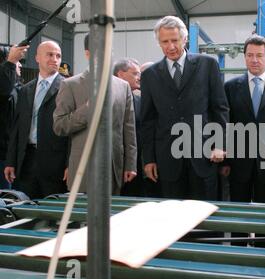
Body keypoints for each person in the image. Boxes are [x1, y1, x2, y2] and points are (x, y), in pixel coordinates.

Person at [141, 16, 229, 201]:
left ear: (185, 39)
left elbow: (219, 108)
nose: (171, 47)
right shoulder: (149, 75)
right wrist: (148, 159)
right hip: (168, 159)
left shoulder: (207, 65)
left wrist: (219, 144)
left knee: (206, 220)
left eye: (175, 40)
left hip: (204, 156)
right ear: (158, 42)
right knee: (173, 219)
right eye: (165, 42)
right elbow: (148, 120)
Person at [222, 35, 265, 248]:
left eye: (259, 56)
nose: (255, 60)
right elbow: (226, 125)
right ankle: (239, 253)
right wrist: (226, 161)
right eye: (250, 55)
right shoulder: (231, 87)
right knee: (239, 212)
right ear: (244, 58)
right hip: (238, 161)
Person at [53, 35, 137, 195]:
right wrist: (88, 109)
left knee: (112, 217)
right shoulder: (70, 85)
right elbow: (59, 126)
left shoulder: (123, 86)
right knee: (83, 218)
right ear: (87, 54)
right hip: (83, 170)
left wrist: (130, 164)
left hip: (114, 169)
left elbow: (129, 128)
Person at [4, 41, 69, 199]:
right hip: (27, 161)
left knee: (53, 213)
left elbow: (72, 131)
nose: (55, 59)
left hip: (56, 163)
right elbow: (17, 128)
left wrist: (70, 163)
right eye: (50, 54)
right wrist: (11, 161)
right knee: (25, 208)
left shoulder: (68, 87)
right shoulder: (26, 89)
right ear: (37, 58)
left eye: (58, 56)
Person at [114, 58, 159, 197]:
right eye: (135, 74)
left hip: (137, 167)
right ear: (120, 74)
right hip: (114, 164)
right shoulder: (108, 100)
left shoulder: (140, 101)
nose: (139, 78)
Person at [0, 45, 27, 189]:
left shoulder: (17, 88)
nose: (20, 64)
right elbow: (4, 91)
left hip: (10, 156)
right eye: (17, 61)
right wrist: (10, 63)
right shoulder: (6, 88)